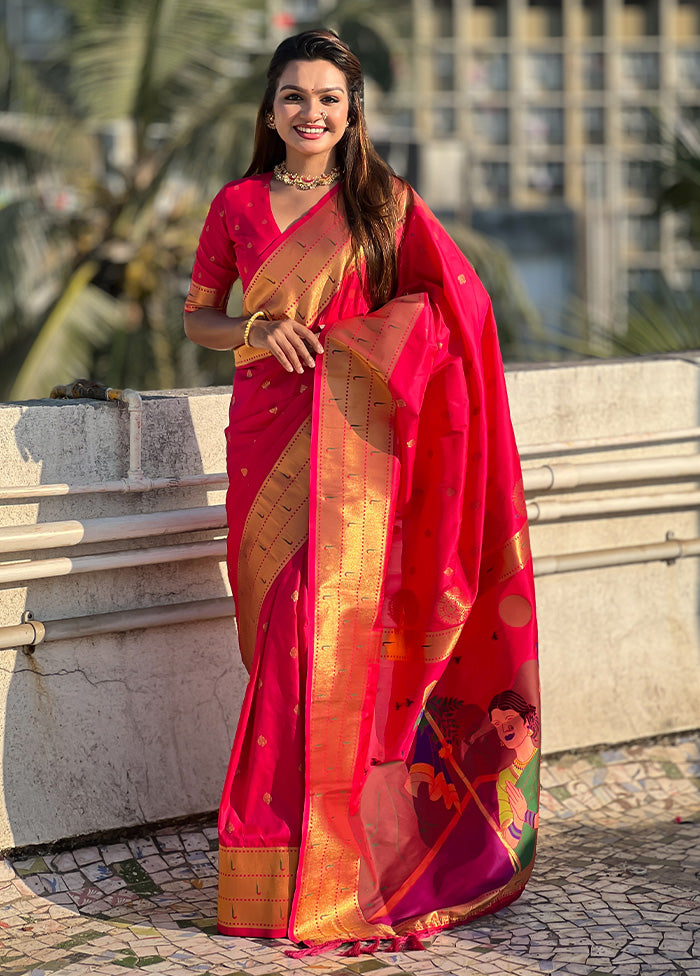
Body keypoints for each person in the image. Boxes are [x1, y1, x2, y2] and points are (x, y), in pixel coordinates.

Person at [183, 28, 539, 955]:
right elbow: (200, 320)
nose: (312, 113)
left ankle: (321, 865)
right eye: (295, 97)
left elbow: (458, 309)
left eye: (329, 99)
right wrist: (258, 331)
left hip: (360, 454)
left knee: (323, 642)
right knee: (278, 641)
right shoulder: (235, 205)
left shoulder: (383, 207)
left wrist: (358, 346)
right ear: (270, 110)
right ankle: (279, 867)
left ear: (353, 114)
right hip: (267, 442)